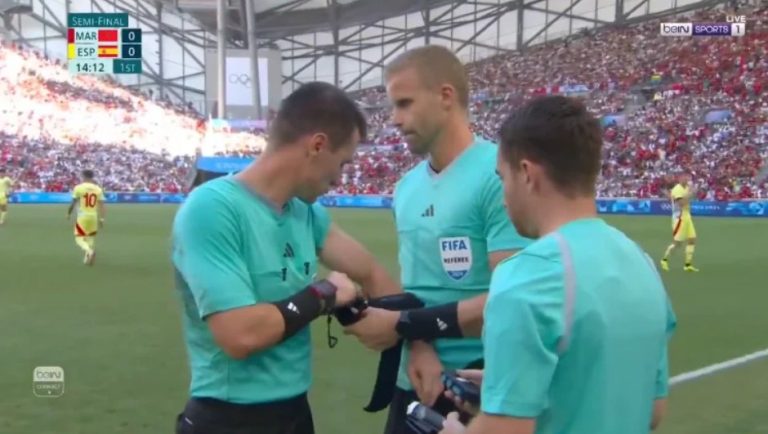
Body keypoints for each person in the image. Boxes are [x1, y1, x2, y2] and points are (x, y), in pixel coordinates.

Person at [172, 81, 401, 434]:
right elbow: (240, 335)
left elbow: (371, 273)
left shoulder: (305, 213)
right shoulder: (212, 209)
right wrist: (324, 294)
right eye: (342, 163)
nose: (340, 179)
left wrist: (401, 332)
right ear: (317, 145)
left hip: (294, 414)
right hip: (229, 418)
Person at [439, 95, 677, 434]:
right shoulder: (642, 263)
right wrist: (510, 388)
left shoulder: (526, 275)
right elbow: (652, 410)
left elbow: (507, 429)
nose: (503, 195)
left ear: (526, 174)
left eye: (501, 178)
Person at [342, 45, 530, 434]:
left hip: (476, 385)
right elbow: (415, 294)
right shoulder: (405, 189)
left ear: (446, 96)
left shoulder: (499, 176)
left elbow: (511, 303)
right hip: (412, 378)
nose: (394, 119)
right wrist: (418, 342)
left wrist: (406, 326)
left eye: (405, 103)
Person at [660, 172, 699, 272]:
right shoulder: (677, 189)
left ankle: (687, 264)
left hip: (686, 216)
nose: (686, 180)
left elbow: (688, 198)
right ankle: (664, 259)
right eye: (684, 178)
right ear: (680, 179)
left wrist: (691, 192)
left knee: (692, 239)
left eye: (688, 178)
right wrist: (691, 193)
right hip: (679, 218)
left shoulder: (686, 187)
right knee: (678, 243)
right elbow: (681, 203)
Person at [67, 170, 105, 265]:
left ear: (83, 176)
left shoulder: (79, 188)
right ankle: (87, 256)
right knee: (90, 237)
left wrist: (68, 213)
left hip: (83, 216)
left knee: (79, 238)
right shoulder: (98, 189)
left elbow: (73, 202)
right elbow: (102, 205)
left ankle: (89, 251)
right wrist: (102, 219)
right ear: (92, 177)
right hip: (93, 216)